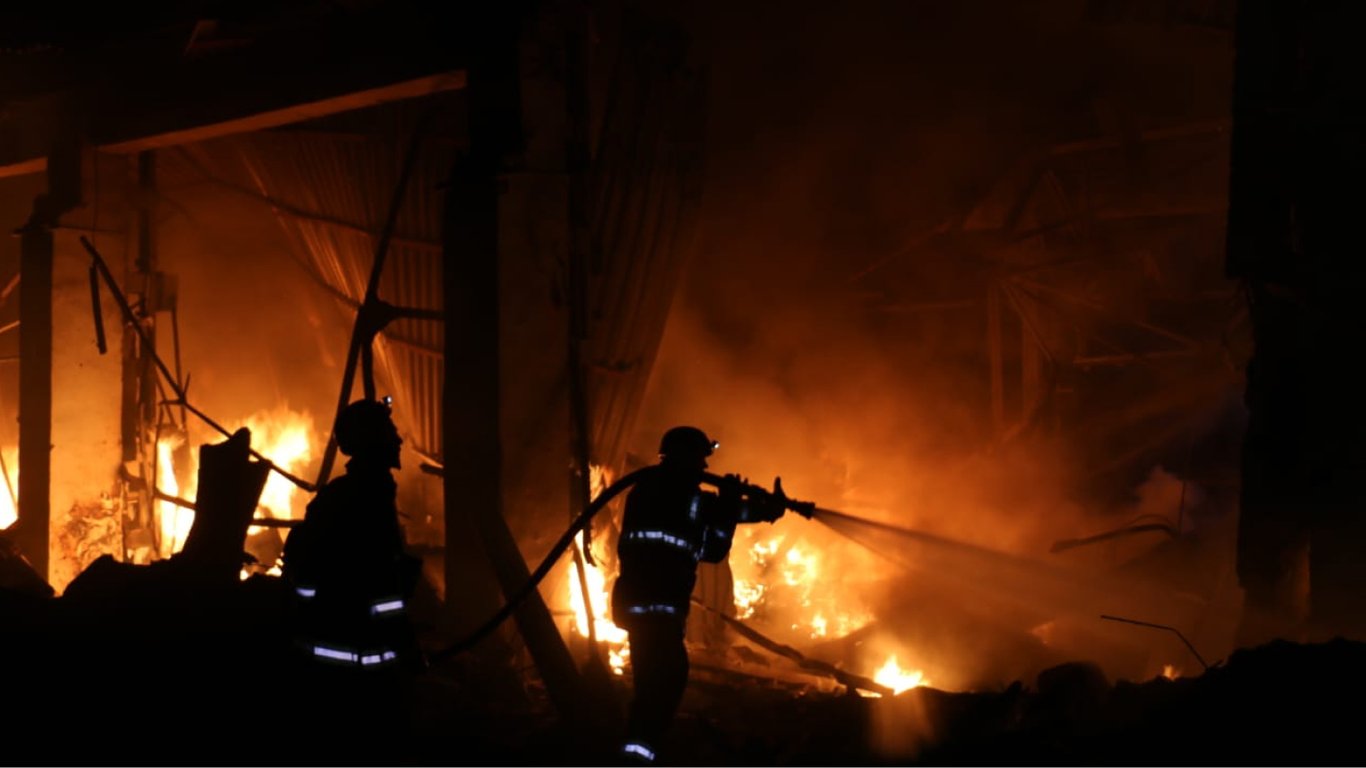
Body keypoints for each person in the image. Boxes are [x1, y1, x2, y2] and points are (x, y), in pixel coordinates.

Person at [611, 426, 792, 764]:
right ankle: (638, 756)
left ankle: (636, 752)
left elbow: (709, 540)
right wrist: (744, 507)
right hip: (657, 605)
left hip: (642, 604)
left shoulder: (650, 490)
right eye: (700, 460)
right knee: (666, 681)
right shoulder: (677, 494)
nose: (705, 469)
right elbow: (715, 540)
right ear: (684, 458)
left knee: (652, 686)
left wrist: (761, 509)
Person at [280, 397, 423, 755]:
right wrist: (406, 646)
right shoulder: (365, 502)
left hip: (334, 666)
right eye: (389, 431)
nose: (398, 439)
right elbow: (382, 589)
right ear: (371, 440)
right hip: (354, 676)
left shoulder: (350, 496)